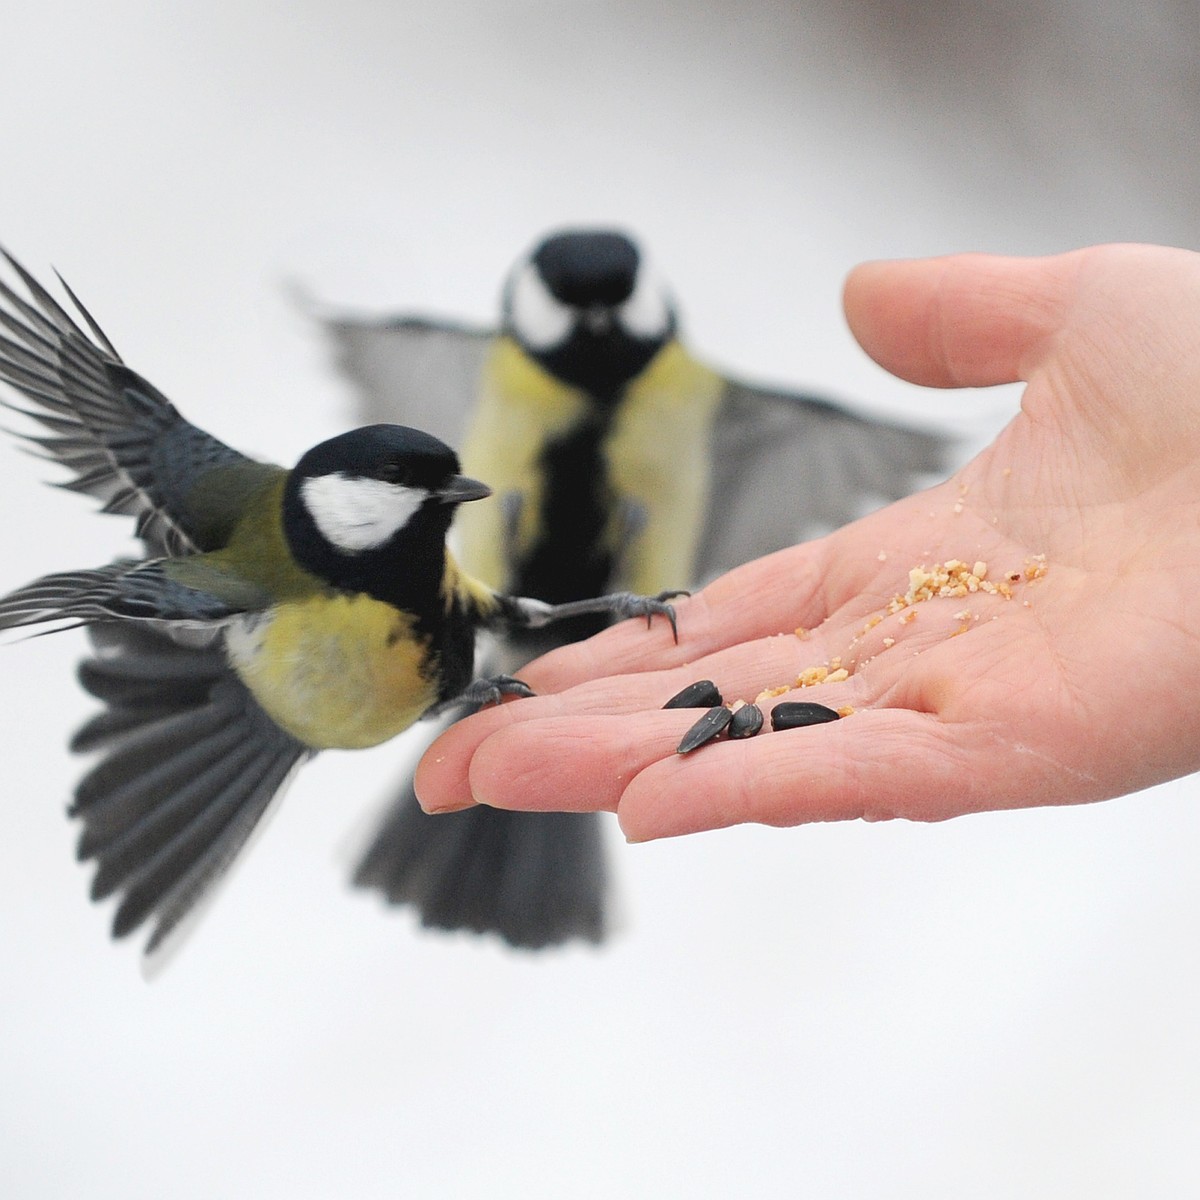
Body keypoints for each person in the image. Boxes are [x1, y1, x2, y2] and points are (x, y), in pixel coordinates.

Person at [413, 244, 1200, 842]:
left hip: (630, 614)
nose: (595, 323)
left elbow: (807, 444)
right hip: (508, 610)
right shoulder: (488, 367)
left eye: (615, 302)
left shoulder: (696, 391)